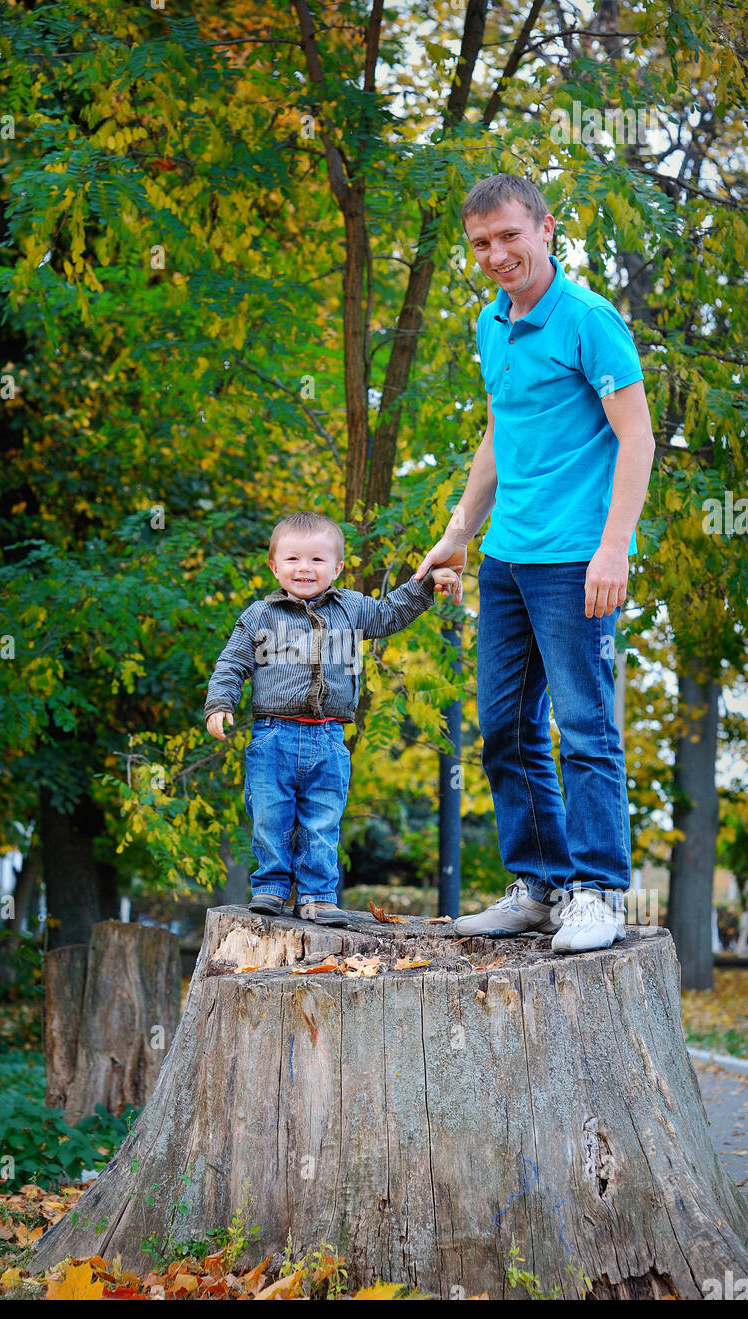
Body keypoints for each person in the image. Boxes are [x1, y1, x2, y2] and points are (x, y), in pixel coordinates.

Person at [415, 174, 655, 953]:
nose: (497, 254)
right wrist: (458, 530)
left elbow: (637, 439)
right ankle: (540, 884)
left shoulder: (588, 320)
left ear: (546, 229)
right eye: (481, 243)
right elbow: (499, 435)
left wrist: (612, 548)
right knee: (507, 729)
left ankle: (599, 892)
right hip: (506, 557)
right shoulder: (491, 324)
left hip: (575, 561)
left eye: (510, 236)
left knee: (585, 727)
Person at [205, 511, 460, 924]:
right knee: (270, 814)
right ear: (273, 566)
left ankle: (317, 895)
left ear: (338, 567)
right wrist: (220, 703)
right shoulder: (259, 616)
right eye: (292, 560)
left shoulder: (352, 608)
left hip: (329, 739)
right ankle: (270, 887)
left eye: (317, 560)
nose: (304, 568)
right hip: (274, 735)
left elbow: (392, 612)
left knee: (322, 819)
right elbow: (232, 663)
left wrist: (428, 582)